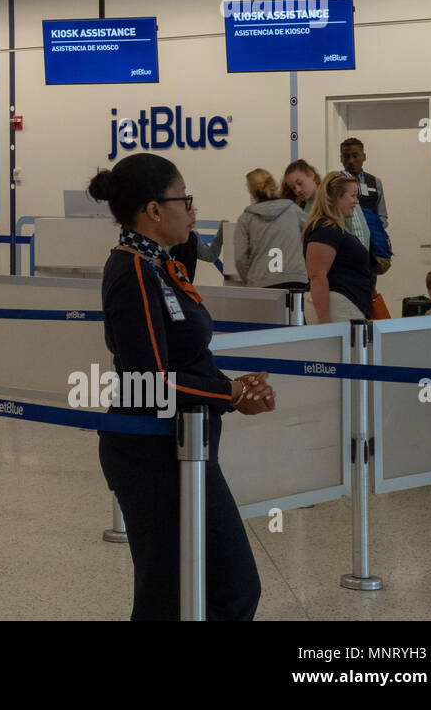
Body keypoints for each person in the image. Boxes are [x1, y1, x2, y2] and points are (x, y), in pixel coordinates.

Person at [87, 152, 274, 621]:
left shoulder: (160, 264)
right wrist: (229, 393)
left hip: (184, 445)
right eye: (184, 199)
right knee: (193, 592)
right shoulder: (131, 270)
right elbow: (149, 379)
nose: (192, 211)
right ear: (154, 210)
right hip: (151, 452)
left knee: (212, 590)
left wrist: (231, 390)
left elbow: (181, 358)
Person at [303, 173, 375, 323]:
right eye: (353, 195)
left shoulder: (333, 228)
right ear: (336, 197)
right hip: (337, 308)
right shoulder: (325, 228)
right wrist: (324, 321)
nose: (356, 201)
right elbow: (317, 276)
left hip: (344, 305)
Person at [234, 168, 308, 290]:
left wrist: (250, 280)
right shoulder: (293, 210)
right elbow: (312, 232)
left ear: (252, 191)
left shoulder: (246, 218)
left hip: (261, 281)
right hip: (295, 278)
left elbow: (240, 258)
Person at [168, 206, 224, 283]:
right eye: (190, 214)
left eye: (194, 213)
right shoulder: (169, 235)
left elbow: (209, 256)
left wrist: (220, 234)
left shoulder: (193, 234)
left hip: (186, 286)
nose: (194, 217)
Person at [339, 137, 387, 227]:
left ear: (364, 157)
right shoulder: (335, 183)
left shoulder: (375, 182)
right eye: (346, 156)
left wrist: (373, 227)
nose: (351, 161)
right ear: (341, 158)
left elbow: (382, 216)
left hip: (372, 235)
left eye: (355, 156)